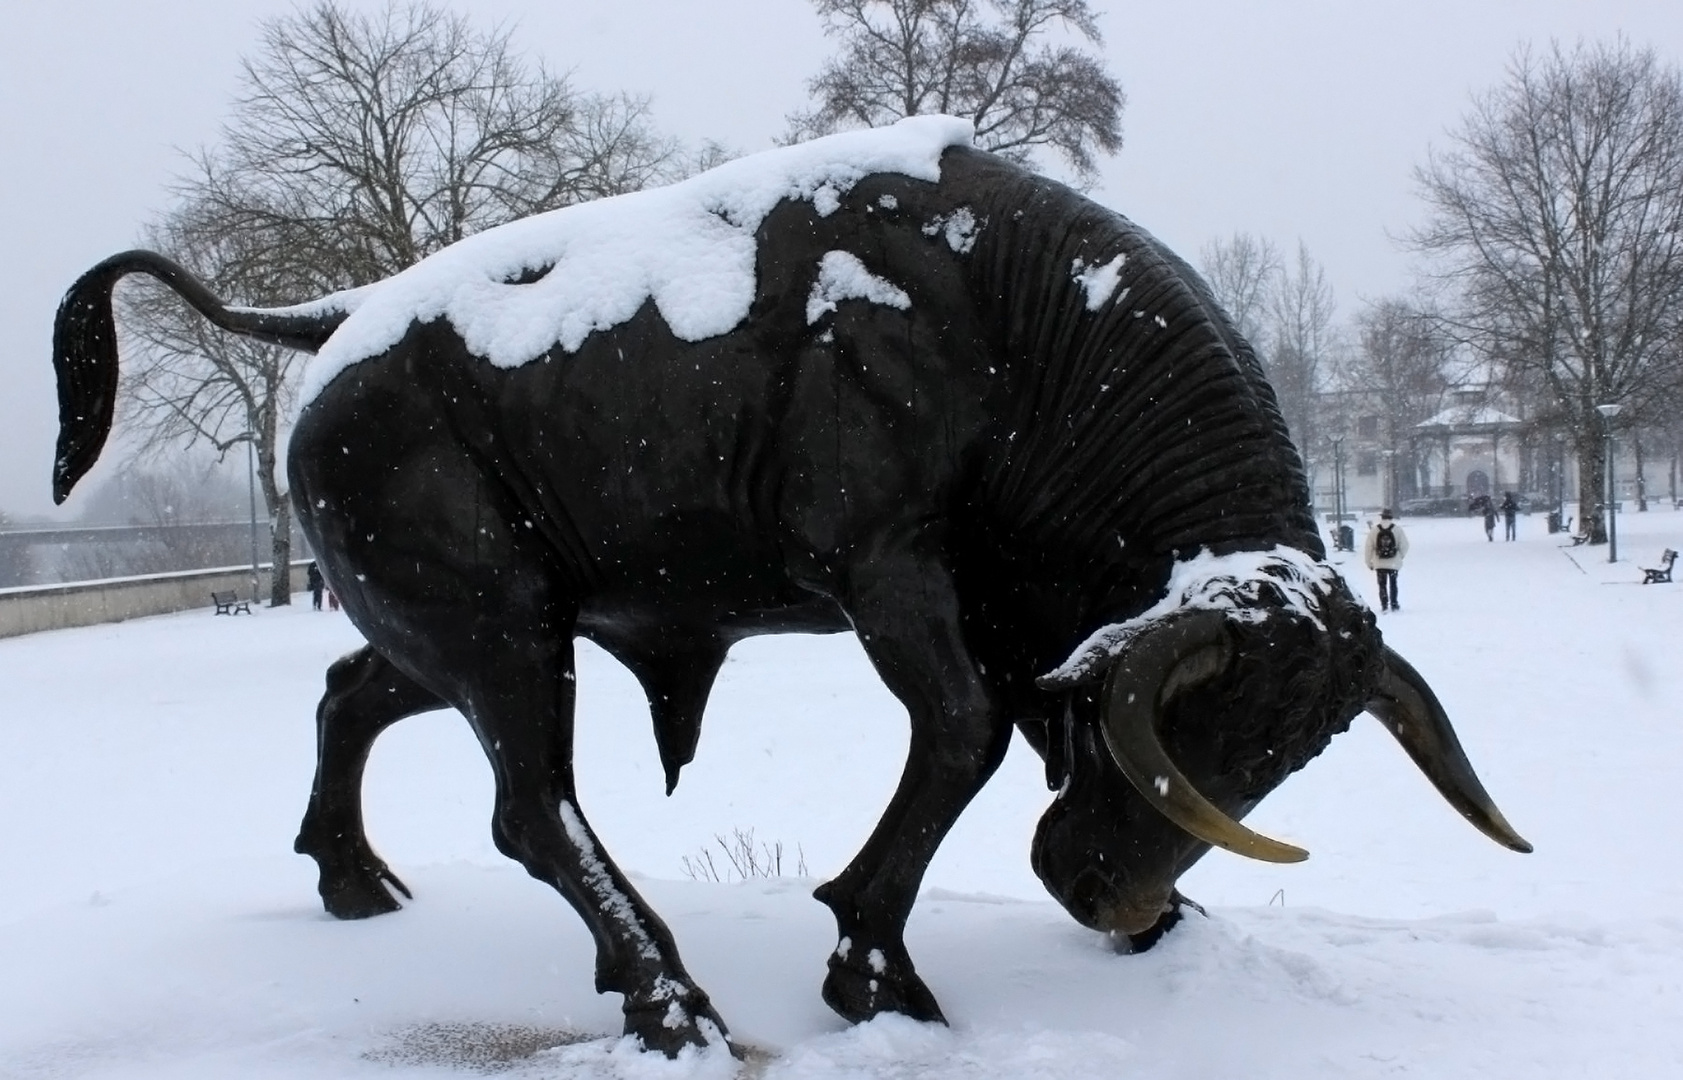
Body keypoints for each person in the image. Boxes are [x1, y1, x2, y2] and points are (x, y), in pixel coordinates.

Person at [1364, 508, 1408, 612]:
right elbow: (1405, 545)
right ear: (1391, 517)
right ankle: (1394, 603)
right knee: (1393, 584)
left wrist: (1368, 561)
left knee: (1382, 584)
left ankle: (1384, 604)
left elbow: (1368, 547)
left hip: (1379, 563)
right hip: (1393, 563)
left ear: (1382, 517)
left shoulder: (1374, 530)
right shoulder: (1397, 529)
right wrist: (1399, 556)